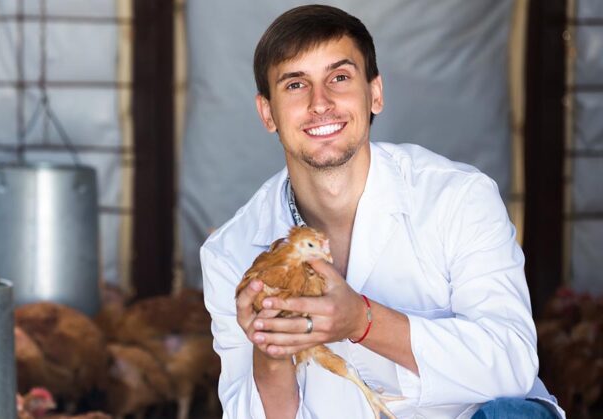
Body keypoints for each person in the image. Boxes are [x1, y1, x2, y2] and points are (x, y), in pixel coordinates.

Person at [200, 5, 564, 419]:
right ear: (267, 113)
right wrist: (270, 351)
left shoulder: (458, 197)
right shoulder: (230, 253)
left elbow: (513, 365)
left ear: (375, 93)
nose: (321, 103)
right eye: (296, 84)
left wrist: (364, 322)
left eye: (339, 78)